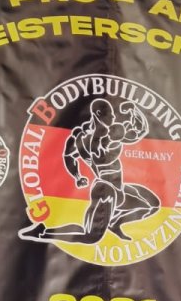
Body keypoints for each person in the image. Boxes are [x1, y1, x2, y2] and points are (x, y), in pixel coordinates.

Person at [19, 97, 159, 245]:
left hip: (118, 188)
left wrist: (77, 176)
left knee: (153, 205)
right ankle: (42, 232)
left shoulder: (86, 136)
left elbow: (69, 157)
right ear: (98, 114)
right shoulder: (106, 134)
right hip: (106, 189)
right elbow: (140, 130)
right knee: (91, 236)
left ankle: (115, 222)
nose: (113, 117)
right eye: (110, 114)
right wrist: (133, 110)